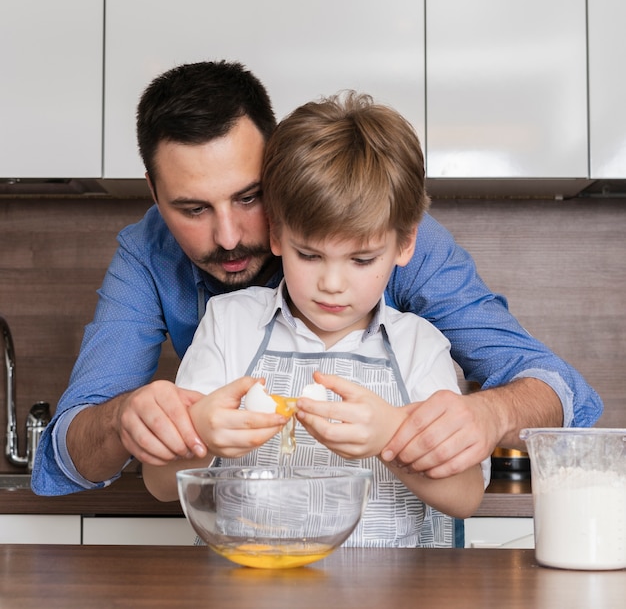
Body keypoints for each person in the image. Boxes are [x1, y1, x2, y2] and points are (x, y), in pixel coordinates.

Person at [30, 60, 602, 497]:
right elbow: (70, 450)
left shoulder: (395, 238)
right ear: (155, 196)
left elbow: (556, 386)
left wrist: (490, 415)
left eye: (249, 197)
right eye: (193, 209)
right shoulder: (149, 256)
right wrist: (127, 422)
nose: (228, 237)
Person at [142, 91, 488, 547]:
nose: (332, 283)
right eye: (310, 254)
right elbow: (159, 483)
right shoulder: (229, 325)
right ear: (277, 234)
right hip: (249, 591)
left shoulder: (419, 346)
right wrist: (202, 435)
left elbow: (465, 497)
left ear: (404, 245)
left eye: (362, 260)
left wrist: (391, 434)